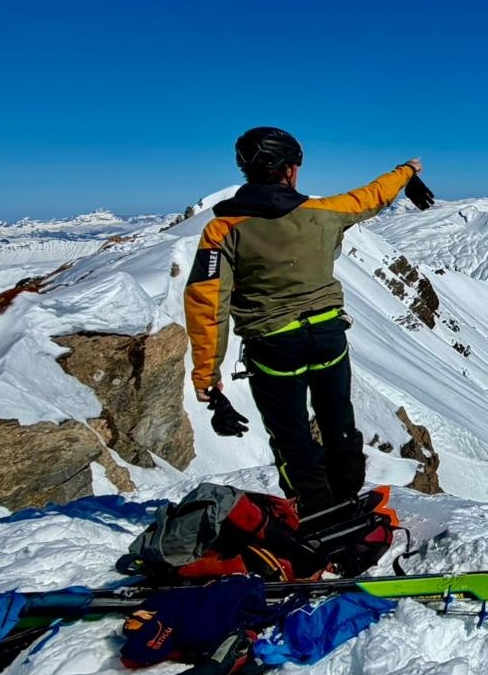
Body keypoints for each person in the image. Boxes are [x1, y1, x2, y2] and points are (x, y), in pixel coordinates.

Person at [183, 127, 434, 515]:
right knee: (340, 427)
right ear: (290, 170)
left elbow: (207, 302)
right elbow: (369, 197)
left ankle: (318, 514)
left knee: (292, 438)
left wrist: (206, 375)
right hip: (328, 335)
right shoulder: (324, 214)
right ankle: (348, 498)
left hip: (274, 346)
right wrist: (406, 172)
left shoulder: (223, 229)